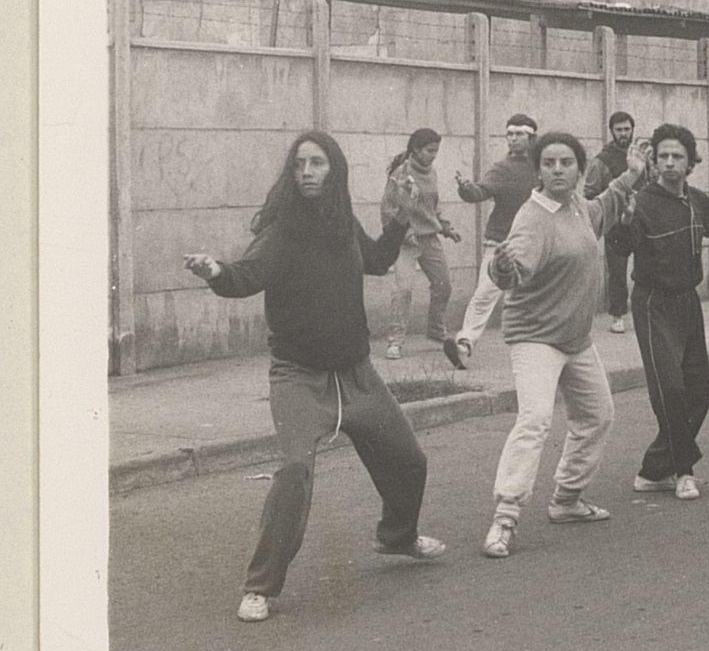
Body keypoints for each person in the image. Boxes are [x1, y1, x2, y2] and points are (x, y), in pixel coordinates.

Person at [183, 131, 446, 623]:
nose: (307, 172)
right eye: (300, 163)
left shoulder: (342, 222)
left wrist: (402, 216)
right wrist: (217, 271)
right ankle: (260, 587)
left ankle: (397, 538)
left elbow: (379, 260)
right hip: (299, 376)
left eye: (318, 163)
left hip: (356, 373)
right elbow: (246, 276)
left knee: (409, 460)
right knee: (293, 473)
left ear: (334, 170)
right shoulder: (282, 231)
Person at [478, 130, 651, 559]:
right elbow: (514, 267)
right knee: (535, 419)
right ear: (538, 171)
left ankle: (568, 499)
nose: (558, 170)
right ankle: (504, 517)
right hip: (536, 336)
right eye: (550, 164)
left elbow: (601, 208)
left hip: (574, 337)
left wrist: (630, 175)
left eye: (566, 163)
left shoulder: (575, 206)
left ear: (578, 168)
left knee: (597, 415)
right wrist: (503, 268)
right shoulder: (532, 217)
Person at [614, 123, 709, 501]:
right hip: (653, 303)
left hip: (688, 303)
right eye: (663, 157)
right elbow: (621, 247)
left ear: (690, 163)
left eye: (678, 157)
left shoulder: (696, 199)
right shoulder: (642, 201)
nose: (670, 163)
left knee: (699, 393)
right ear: (653, 162)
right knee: (669, 389)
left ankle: (654, 469)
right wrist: (624, 221)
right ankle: (683, 471)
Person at [445, 113, 539, 369]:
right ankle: (463, 345)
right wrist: (466, 187)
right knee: (484, 294)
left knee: (537, 298)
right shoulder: (501, 169)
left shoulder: (543, 167)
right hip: (500, 243)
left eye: (519, 134)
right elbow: (479, 192)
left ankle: (545, 351)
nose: (513, 138)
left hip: (534, 244)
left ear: (532, 137)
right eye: (509, 134)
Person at [381, 127, 460, 359]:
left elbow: (433, 206)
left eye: (436, 151)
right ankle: (395, 341)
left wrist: (447, 228)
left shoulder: (431, 172)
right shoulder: (400, 174)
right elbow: (387, 210)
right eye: (430, 150)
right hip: (406, 242)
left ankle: (436, 331)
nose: (433, 155)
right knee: (403, 289)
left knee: (444, 284)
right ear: (416, 150)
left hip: (429, 239)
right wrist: (403, 235)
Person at [582, 111, 639, 335]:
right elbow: (590, 193)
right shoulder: (601, 161)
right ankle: (617, 315)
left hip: (642, 220)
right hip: (616, 224)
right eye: (619, 130)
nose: (624, 134)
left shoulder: (641, 155)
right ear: (612, 132)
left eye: (627, 129)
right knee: (617, 270)